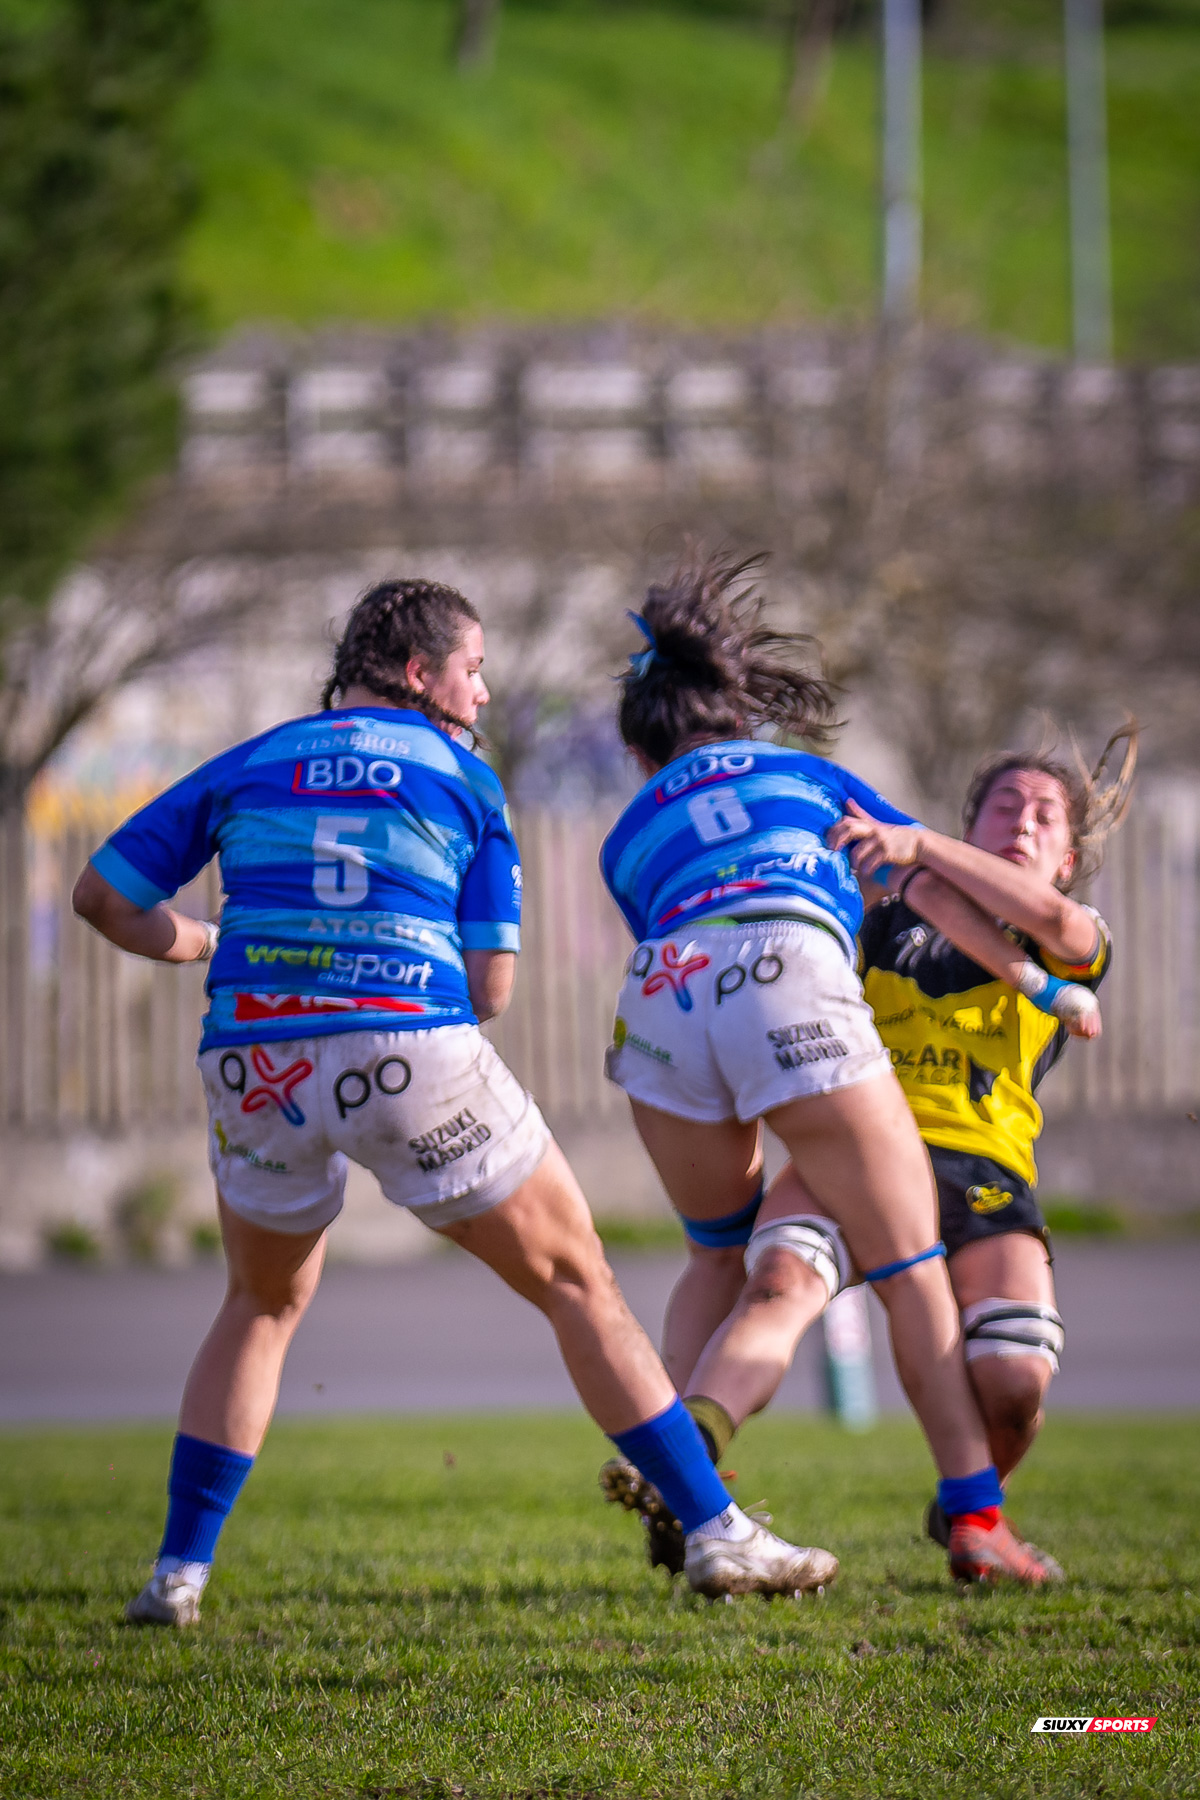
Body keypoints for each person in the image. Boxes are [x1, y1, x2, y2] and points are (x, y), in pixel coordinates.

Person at [73, 577, 837, 1626]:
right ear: (423, 673)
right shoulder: (465, 778)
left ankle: (177, 1576)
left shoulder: (252, 760)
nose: (482, 696)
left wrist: (205, 942)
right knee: (578, 1283)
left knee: (259, 1304)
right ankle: (716, 1531)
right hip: (406, 1043)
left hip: (253, 1058)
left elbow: (102, 897)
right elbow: (489, 991)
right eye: (474, 671)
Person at [597, 549, 1064, 1586]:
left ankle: (688, 1480)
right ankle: (977, 1521)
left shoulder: (627, 830)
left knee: (718, 1256)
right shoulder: (807, 773)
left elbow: (679, 921)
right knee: (909, 1275)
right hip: (785, 963)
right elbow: (922, 881)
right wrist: (1037, 989)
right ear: (740, 711)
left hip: (660, 995)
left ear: (644, 749)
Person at [637, 724, 1134, 1577]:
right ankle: (688, 1482)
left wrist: (918, 841)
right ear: (971, 827)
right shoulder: (877, 919)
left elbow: (1053, 920)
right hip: (857, 1143)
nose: (1022, 823)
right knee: (779, 1284)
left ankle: (971, 1517)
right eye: (1004, 807)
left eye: (1046, 817)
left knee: (1015, 1378)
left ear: (1067, 860)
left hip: (983, 1172)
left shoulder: (1067, 934)